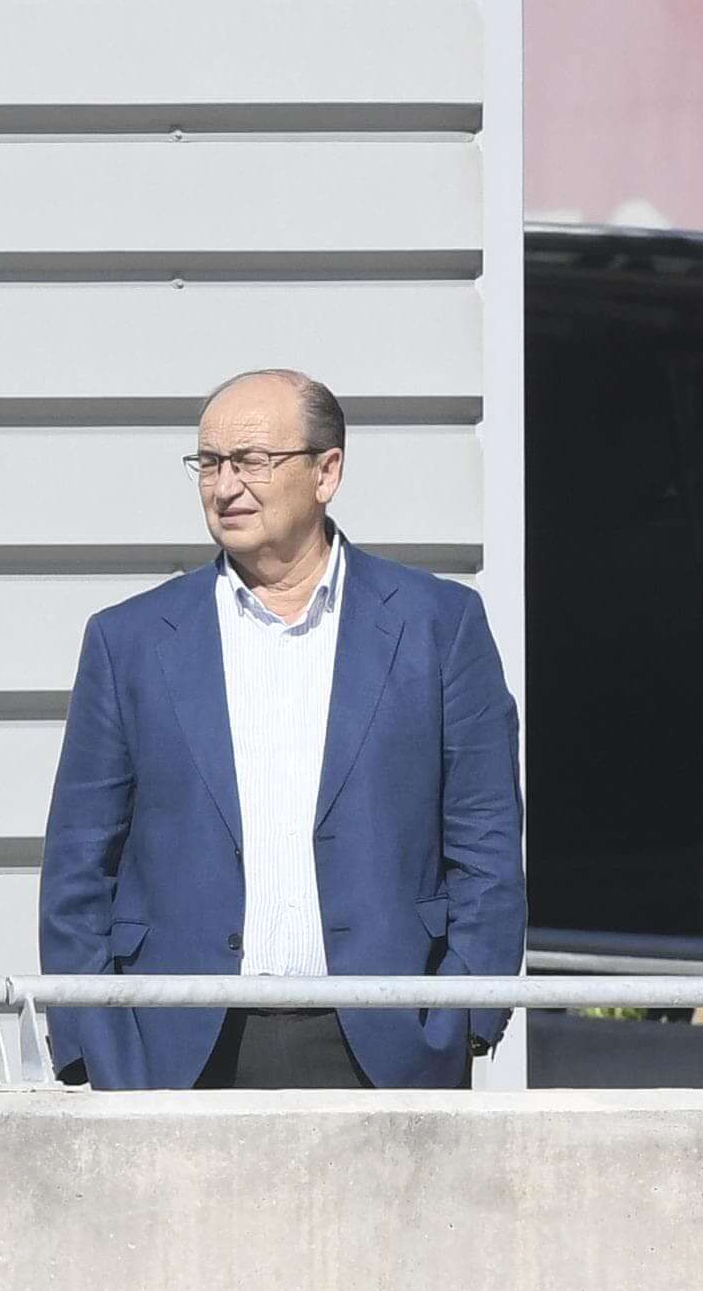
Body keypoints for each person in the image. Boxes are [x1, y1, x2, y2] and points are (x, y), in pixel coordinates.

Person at [38, 367, 526, 1089]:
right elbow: (78, 863)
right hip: (175, 1052)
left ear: (327, 472)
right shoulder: (130, 641)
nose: (225, 486)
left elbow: (486, 842)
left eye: (253, 461)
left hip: (388, 1045)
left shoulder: (438, 626)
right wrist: (97, 1046)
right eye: (210, 462)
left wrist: (464, 1021)